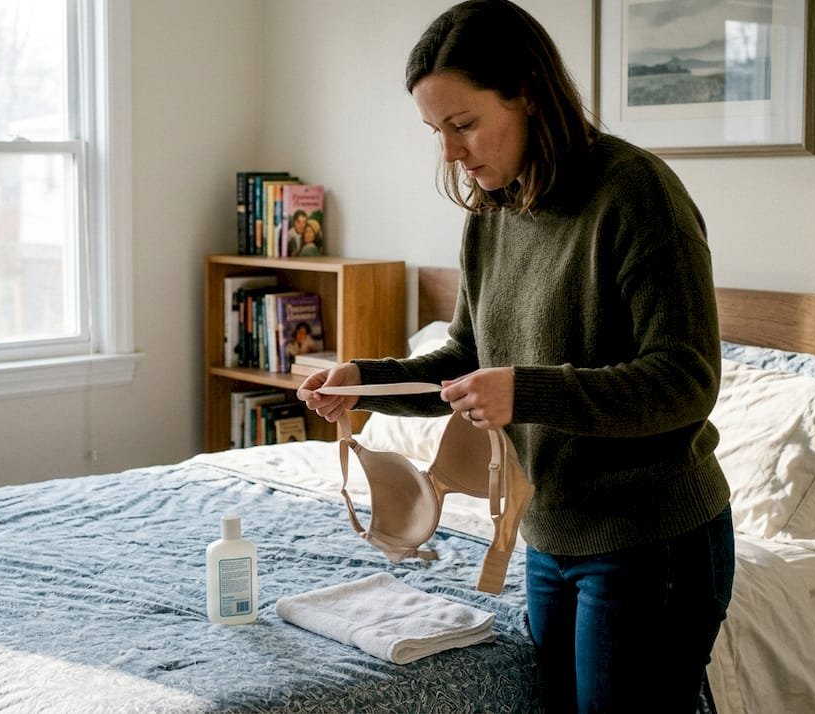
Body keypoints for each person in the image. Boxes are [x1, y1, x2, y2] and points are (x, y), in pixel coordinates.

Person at [296, 2, 734, 712]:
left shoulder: (636, 193)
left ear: (528, 93)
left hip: (651, 540)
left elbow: (686, 380)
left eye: (464, 124)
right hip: (547, 533)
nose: (451, 152)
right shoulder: (493, 213)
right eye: (436, 131)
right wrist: (364, 382)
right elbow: (467, 358)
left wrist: (528, 392)